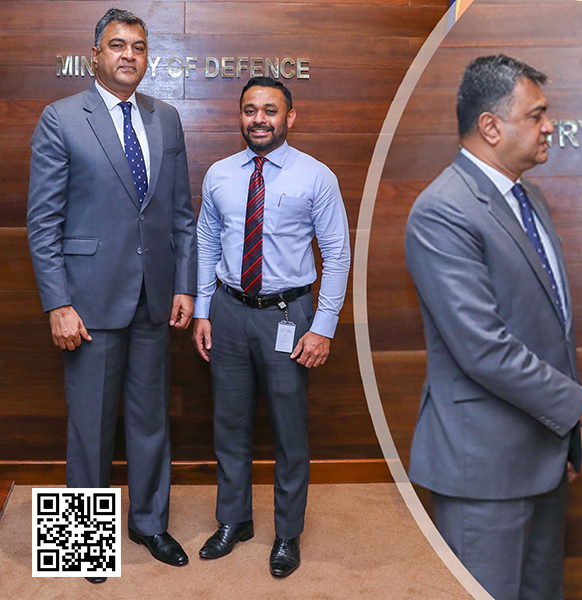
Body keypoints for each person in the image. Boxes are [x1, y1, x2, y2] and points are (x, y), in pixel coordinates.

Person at [404, 54, 582, 600]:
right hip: (483, 468)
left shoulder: (528, 198)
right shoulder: (444, 209)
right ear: (491, 126)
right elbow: (483, 348)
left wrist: (568, 432)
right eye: (536, 115)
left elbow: (550, 329)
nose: (549, 125)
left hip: (543, 454)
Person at [26, 8, 196, 583]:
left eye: (139, 46)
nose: (129, 55)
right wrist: (57, 303)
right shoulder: (60, 118)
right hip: (88, 303)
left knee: (151, 421)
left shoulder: (167, 119)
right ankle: (81, 550)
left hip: (154, 299)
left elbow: (180, 217)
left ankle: (149, 524)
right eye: (118, 45)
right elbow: (43, 223)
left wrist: (184, 286)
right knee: (90, 426)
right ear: (95, 53)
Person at [191, 76, 350, 579]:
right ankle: (233, 520)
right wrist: (202, 309)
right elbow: (206, 241)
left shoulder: (317, 177)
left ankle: (287, 533)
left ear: (289, 117)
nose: (259, 119)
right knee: (230, 424)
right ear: (240, 116)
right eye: (250, 110)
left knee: (288, 431)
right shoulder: (219, 174)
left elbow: (338, 255)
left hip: (289, 315)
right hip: (229, 312)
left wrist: (323, 327)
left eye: (270, 110)